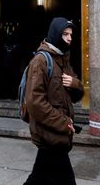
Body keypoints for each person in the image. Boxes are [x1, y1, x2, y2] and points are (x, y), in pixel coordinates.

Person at [23, 17, 84, 185]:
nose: (70, 38)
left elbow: (78, 95)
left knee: (39, 178)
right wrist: (63, 122)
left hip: (57, 135)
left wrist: (75, 84)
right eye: (65, 34)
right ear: (56, 34)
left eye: (71, 34)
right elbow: (35, 102)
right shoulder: (41, 61)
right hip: (49, 134)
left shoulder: (63, 60)